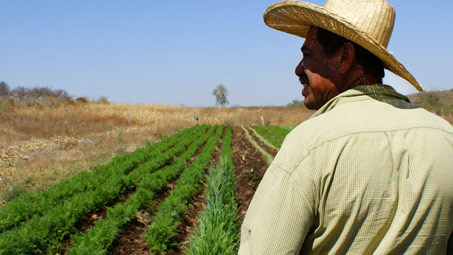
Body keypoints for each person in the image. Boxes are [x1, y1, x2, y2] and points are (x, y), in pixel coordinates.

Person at [239, 0, 453, 254]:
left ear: (344, 57)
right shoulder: (444, 137)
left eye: (307, 54)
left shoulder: (310, 145)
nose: (298, 68)